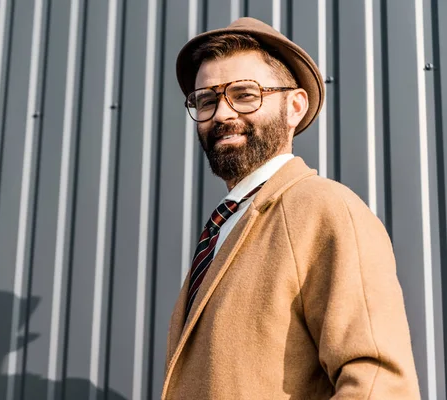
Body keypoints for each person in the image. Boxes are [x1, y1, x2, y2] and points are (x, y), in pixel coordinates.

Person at [161, 17, 420, 399]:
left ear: (295, 106)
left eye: (245, 94)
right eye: (207, 100)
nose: (222, 114)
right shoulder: (223, 228)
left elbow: (380, 385)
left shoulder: (324, 209)